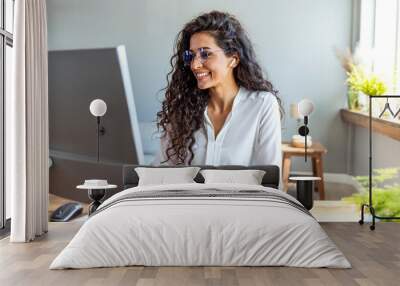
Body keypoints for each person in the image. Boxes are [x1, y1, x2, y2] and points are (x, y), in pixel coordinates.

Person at [153, 11, 283, 173]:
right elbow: (162, 171)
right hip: (187, 199)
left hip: (242, 199)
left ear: (233, 59)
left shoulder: (262, 105)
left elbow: (271, 178)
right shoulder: (182, 109)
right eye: (190, 56)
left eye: (205, 54)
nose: (194, 65)